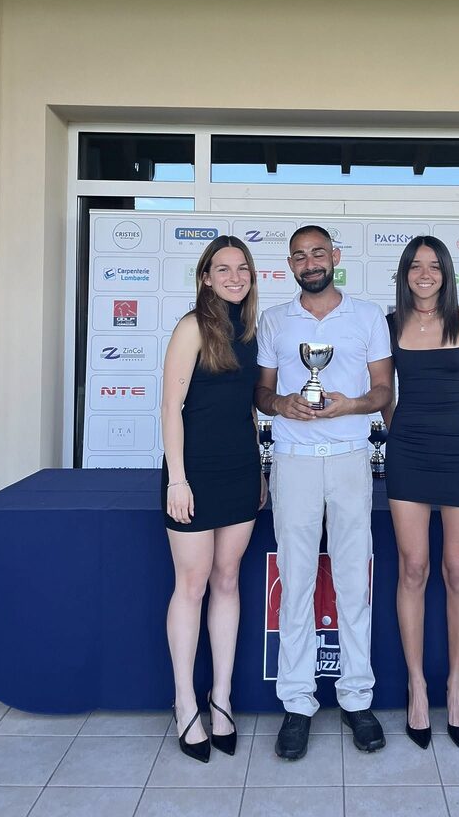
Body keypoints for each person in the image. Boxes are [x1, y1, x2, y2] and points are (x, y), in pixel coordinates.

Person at [255, 224, 393, 761]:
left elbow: (383, 390)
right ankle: (297, 703)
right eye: (299, 256)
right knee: (296, 584)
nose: (309, 263)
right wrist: (281, 404)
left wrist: (350, 405)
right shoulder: (274, 319)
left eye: (318, 253)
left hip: (350, 460)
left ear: (335, 256)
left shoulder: (368, 316)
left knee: (354, 580)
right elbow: (262, 392)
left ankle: (357, 698)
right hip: (293, 462)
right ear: (290, 264)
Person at [383, 235, 459, 749]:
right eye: (415, 266)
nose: (424, 274)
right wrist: (403, 433)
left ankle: (455, 686)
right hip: (408, 453)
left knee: (458, 570)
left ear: (447, 273)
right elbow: (384, 394)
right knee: (413, 568)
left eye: (434, 266)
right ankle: (416, 686)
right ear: (405, 273)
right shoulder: (389, 325)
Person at [161, 235, 264, 763]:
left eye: (241, 268)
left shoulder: (250, 331)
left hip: (240, 470)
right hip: (195, 474)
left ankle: (220, 698)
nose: (234, 277)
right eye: (222, 269)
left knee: (227, 580)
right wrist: (178, 480)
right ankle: (185, 702)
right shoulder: (191, 327)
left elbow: (247, 409)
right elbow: (170, 408)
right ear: (205, 277)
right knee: (193, 584)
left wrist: (259, 469)